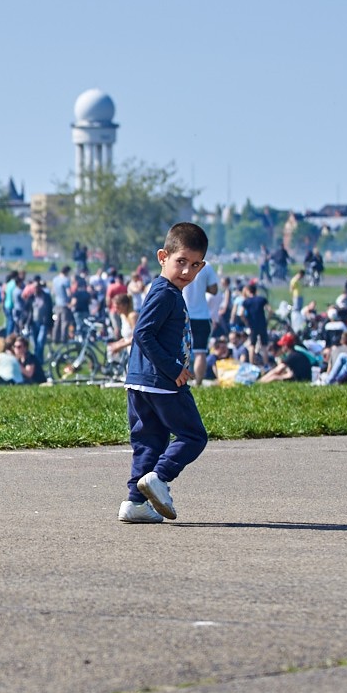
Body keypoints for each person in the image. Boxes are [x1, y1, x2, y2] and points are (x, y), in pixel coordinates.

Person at [118, 222, 211, 525]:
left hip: (140, 382)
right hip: (163, 382)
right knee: (193, 435)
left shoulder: (165, 291)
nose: (187, 271)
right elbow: (143, 334)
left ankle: (135, 503)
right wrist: (173, 368)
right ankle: (160, 477)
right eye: (180, 261)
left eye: (195, 265)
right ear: (163, 257)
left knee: (150, 443)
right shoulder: (166, 293)